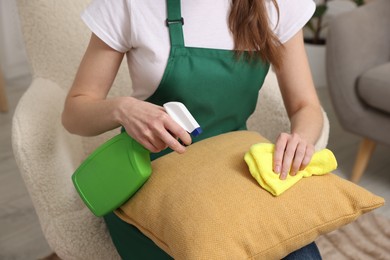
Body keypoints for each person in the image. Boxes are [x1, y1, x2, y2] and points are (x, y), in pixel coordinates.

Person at [62, 0, 324, 259]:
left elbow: (305, 106)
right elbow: (74, 114)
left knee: (295, 249)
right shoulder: (129, 4)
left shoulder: (277, 4)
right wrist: (123, 109)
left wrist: (301, 138)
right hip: (150, 177)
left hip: (236, 169)